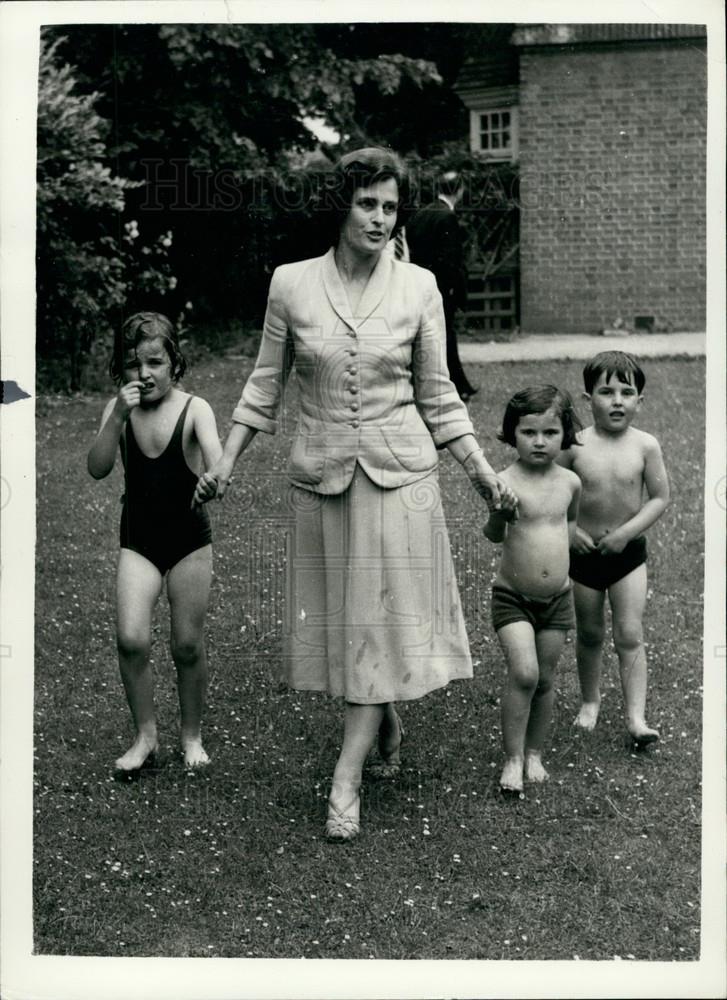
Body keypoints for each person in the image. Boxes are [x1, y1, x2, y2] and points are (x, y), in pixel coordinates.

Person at [194, 147, 516, 841]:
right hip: (322, 478)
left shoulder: (418, 287)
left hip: (400, 481)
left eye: (389, 207)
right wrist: (225, 462)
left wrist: (482, 473)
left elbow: (438, 394)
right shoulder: (291, 284)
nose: (378, 218)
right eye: (366, 203)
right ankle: (384, 718)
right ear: (340, 206)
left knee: (372, 624)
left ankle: (344, 780)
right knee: (348, 626)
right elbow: (262, 385)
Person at [88, 312, 222, 773]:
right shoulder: (118, 411)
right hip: (139, 540)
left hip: (188, 541)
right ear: (120, 370)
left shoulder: (195, 408)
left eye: (154, 362)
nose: (143, 374)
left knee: (186, 644)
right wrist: (117, 415)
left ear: (174, 363)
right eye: (132, 364)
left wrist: (211, 480)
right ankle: (145, 736)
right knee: (130, 638)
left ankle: (191, 735)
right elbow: (98, 467)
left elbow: (217, 465)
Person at [557, 351, 669, 747]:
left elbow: (659, 497)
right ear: (588, 399)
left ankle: (636, 717)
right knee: (589, 633)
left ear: (641, 400)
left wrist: (626, 533)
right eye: (606, 391)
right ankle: (590, 701)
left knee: (629, 633)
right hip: (584, 556)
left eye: (627, 392)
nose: (617, 400)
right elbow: (555, 493)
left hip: (627, 557)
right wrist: (571, 531)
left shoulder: (645, 445)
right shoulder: (575, 446)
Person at [483, 386, 581, 796]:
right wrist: (499, 514)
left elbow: (568, 526)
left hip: (558, 599)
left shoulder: (570, 482)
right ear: (512, 434)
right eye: (528, 433)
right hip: (513, 598)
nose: (539, 442)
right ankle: (513, 759)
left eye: (550, 432)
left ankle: (535, 751)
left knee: (546, 679)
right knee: (524, 674)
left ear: (565, 435)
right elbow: (492, 536)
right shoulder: (504, 482)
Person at [405, 169, 477, 400]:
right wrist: (453, 288)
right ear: (459, 191)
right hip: (441, 288)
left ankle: (452, 383)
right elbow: (450, 259)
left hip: (419, 285)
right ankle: (457, 386)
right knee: (445, 335)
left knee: (428, 336)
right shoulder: (447, 217)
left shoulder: (421, 214)